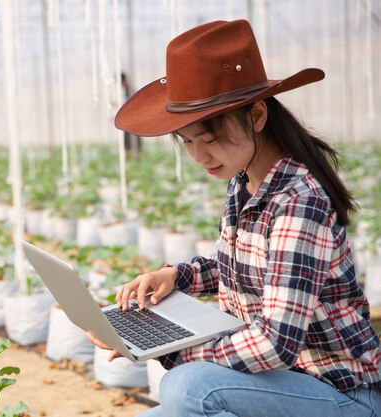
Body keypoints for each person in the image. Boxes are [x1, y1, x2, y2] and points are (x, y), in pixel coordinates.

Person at [87, 19, 381, 416]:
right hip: (280, 385)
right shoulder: (245, 182)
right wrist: (178, 276)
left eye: (209, 138)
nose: (199, 156)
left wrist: (166, 350)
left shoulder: (298, 202)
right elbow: (252, 269)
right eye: (188, 141)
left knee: (188, 387)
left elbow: (275, 344)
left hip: (338, 394)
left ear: (257, 116)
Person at [121, 72, 142, 159]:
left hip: (135, 119)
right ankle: (129, 157)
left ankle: (136, 157)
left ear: (124, 81)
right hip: (128, 120)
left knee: (135, 138)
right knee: (127, 140)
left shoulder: (131, 91)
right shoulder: (125, 91)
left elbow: (134, 105)